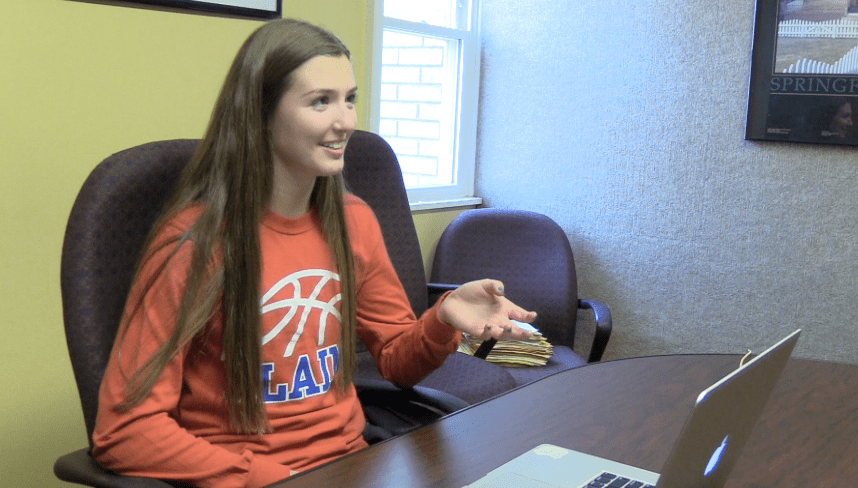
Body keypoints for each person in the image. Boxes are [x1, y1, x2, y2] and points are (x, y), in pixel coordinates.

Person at [91, 18, 535, 488]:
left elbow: (396, 363)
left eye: (350, 99)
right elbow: (125, 432)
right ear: (261, 113)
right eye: (321, 101)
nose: (346, 122)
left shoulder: (353, 220)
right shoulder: (196, 243)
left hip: (352, 466)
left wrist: (443, 318)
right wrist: (270, 478)